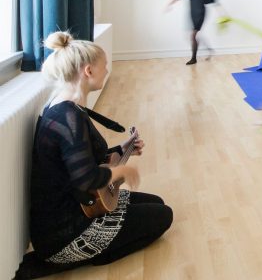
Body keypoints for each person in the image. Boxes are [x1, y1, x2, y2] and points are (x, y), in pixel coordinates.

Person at [17, 32, 172, 279]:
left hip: (79, 205)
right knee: (163, 216)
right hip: (64, 231)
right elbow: (86, 179)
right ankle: (93, 255)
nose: (107, 70)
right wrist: (123, 170)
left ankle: (102, 246)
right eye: (105, 66)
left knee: (157, 202)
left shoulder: (65, 106)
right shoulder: (68, 117)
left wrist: (122, 149)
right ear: (88, 71)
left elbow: (80, 158)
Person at [167, 0, 217, 65]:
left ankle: (194, 58)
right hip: (191, 13)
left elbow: (210, 0)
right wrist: (170, 4)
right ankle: (209, 49)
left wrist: (220, 10)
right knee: (192, 36)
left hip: (201, 13)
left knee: (193, 35)